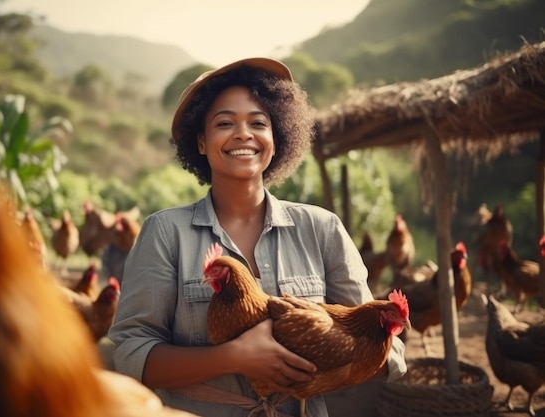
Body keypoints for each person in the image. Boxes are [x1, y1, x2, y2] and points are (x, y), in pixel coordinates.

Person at [108, 57, 407, 417]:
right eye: (224, 123)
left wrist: (332, 361)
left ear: (276, 137)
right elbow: (130, 354)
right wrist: (232, 356)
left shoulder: (321, 228)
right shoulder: (166, 233)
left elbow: (383, 348)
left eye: (258, 123)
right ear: (201, 142)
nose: (243, 134)